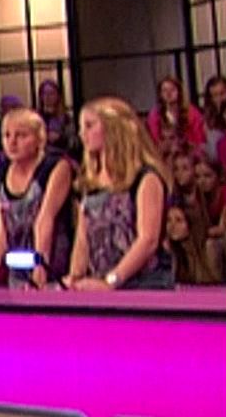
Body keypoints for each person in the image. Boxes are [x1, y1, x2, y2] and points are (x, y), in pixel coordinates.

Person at [0, 108, 75, 290]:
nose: (12, 142)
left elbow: (44, 220)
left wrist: (40, 268)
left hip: (53, 273)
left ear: (40, 139)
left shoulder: (55, 167)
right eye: (7, 135)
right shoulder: (0, 174)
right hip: (17, 274)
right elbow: (3, 233)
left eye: (21, 135)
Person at [67, 96, 173, 290]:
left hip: (145, 286)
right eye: (82, 127)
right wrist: (74, 278)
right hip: (101, 285)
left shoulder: (146, 178)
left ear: (113, 128)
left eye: (89, 126)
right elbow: (82, 239)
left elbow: (148, 240)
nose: (82, 134)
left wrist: (111, 281)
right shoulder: (90, 184)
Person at [147, 76, 206, 151]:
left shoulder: (192, 111)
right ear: (160, 94)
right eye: (164, 90)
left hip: (190, 151)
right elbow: (154, 140)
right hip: (164, 152)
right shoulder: (155, 114)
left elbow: (199, 138)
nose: (168, 93)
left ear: (179, 92)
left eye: (172, 89)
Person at [38, 79, 75, 153]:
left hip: (61, 154)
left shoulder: (66, 118)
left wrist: (60, 138)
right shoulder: (36, 117)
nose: (47, 97)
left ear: (58, 95)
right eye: (44, 93)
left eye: (51, 93)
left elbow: (73, 142)